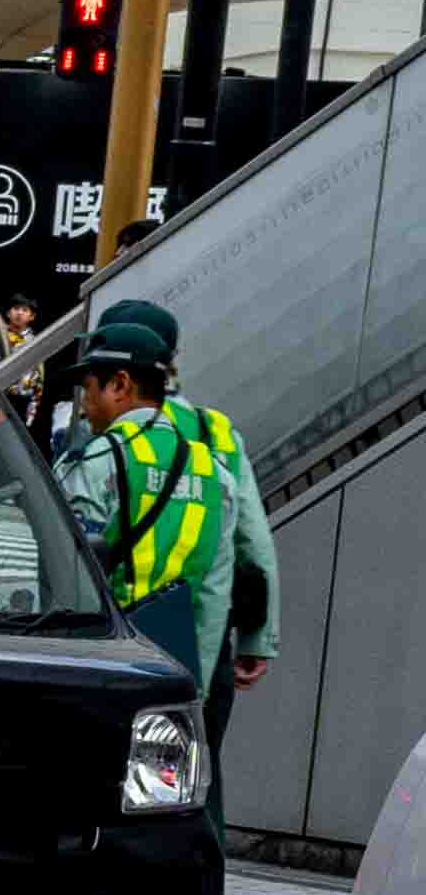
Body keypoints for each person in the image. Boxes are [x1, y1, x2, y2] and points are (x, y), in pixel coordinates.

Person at [53, 295, 276, 715]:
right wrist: (201, 687)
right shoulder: (213, 452)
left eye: (88, 388)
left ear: (119, 383)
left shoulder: (98, 456)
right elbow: (225, 580)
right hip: (182, 656)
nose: (84, 402)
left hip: (108, 652)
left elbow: (67, 568)